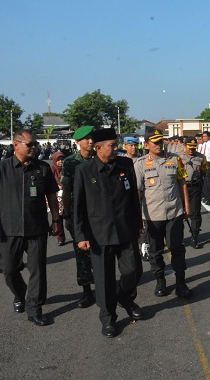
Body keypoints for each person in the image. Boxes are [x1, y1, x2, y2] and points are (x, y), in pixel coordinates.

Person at [73, 128, 143, 338]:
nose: (116, 148)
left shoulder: (125, 164)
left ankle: (125, 297)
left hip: (125, 229)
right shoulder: (84, 171)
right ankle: (108, 318)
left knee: (133, 270)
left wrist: (138, 222)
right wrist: (80, 235)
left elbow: (133, 197)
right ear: (98, 148)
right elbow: (78, 206)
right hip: (98, 233)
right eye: (112, 145)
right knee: (104, 280)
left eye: (116, 144)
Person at [0, 130, 62, 326]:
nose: (34, 147)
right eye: (30, 144)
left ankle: (34, 308)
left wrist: (56, 221)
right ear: (16, 145)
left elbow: (52, 196)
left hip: (36, 228)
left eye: (35, 144)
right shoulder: (1, 168)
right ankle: (21, 295)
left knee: (37, 270)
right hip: (8, 229)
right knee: (9, 269)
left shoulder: (43, 169)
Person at [135, 128, 192, 298]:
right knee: (155, 251)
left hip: (174, 212)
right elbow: (137, 192)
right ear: (146, 145)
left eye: (160, 141)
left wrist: (187, 206)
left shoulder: (175, 160)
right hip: (153, 216)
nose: (159, 145)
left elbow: (182, 183)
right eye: (155, 142)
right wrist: (138, 216)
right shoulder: (140, 164)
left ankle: (181, 282)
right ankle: (160, 281)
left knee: (177, 248)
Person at [61, 125, 96, 309]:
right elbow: (66, 189)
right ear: (78, 143)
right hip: (78, 212)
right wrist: (66, 214)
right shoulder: (70, 162)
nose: (91, 141)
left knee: (101, 248)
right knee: (81, 252)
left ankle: (104, 283)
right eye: (87, 139)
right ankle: (86, 291)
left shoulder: (100, 158)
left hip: (99, 211)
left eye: (92, 138)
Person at [181, 136, 207, 249]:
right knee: (179, 214)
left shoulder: (201, 157)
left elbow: (204, 171)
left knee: (195, 213)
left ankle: (194, 237)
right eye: (189, 147)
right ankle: (179, 237)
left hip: (195, 187)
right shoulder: (178, 157)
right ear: (184, 145)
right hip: (182, 187)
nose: (191, 150)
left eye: (193, 147)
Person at [51, 151, 67, 246]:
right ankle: (61, 237)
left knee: (69, 219)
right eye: (58, 160)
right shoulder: (51, 170)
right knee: (59, 219)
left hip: (67, 196)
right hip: (56, 199)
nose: (61, 162)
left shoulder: (67, 169)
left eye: (62, 159)